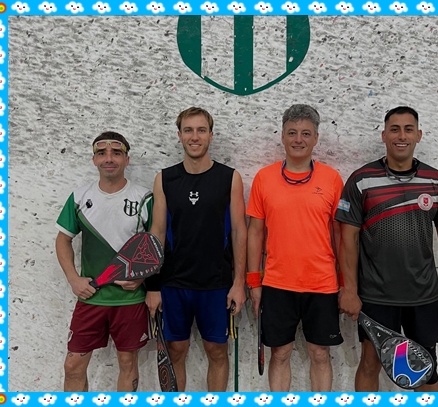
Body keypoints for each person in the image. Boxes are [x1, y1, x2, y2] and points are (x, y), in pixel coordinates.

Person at [335, 106, 438, 392]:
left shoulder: (436, 180)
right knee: (370, 363)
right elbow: (348, 239)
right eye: (394, 129)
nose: (401, 136)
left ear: (419, 135)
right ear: (384, 135)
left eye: (408, 129)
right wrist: (349, 289)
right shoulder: (361, 180)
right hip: (375, 295)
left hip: (424, 295)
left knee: (426, 368)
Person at [145, 107, 247, 392]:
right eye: (188, 130)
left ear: (211, 135)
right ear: (179, 135)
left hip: (216, 283)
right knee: (176, 350)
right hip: (174, 282)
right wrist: (153, 285)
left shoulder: (230, 178)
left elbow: (239, 232)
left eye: (201, 130)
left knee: (217, 352)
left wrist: (239, 283)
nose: (195, 136)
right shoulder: (164, 179)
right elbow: (157, 232)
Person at [246, 104, 344, 392]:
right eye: (292, 133)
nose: (298, 139)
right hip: (277, 283)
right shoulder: (264, 178)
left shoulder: (332, 179)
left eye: (305, 133)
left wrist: (346, 282)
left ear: (316, 138)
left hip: (322, 284)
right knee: (280, 354)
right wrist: (254, 281)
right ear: (282, 136)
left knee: (320, 354)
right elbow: (255, 233)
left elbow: (340, 235)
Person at [55, 132, 153, 392]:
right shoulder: (79, 197)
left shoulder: (145, 198)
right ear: (94, 160)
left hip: (129, 300)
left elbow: (156, 247)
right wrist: (73, 279)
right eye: (102, 153)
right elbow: (63, 240)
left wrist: (143, 278)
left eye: (116, 153)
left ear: (127, 159)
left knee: (128, 363)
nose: (109, 158)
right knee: (73, 365)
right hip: (91, 298)